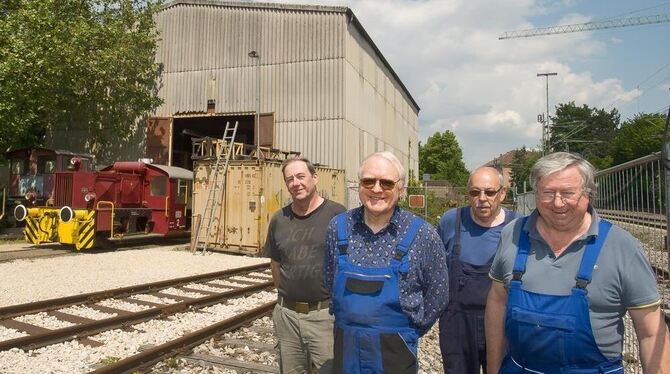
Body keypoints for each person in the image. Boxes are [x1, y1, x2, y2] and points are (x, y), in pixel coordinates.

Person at [485, 152, 670, 373]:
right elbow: (497, 303)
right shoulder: (512, 234)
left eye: (568, 193)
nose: (557, 203)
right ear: (536, 193)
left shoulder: (623, 246)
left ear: (588, 194)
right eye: (548, 193)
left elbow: (651, 332)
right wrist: (493, 369)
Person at [323, 151, 449, 374]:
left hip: (395, 352)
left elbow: (438, 295)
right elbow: (329, 280)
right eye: (368, 181)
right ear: (359, 186)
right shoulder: (338, 227)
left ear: (401, 189)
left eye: (387, 183)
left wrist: (406, 331)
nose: (377, 189)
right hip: (346, 348)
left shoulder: (423, 235)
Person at [264, 156, 346, 374]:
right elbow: (276, 264)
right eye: (290, 179)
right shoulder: (279, 219)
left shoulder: (338, 216)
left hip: (325, 316)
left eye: (301, 176)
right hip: (287, 316)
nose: (296, 183)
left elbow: (347, 265)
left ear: (315, 178)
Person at [437, 166, 520, 374]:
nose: (482, 198)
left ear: (502, 193)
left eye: (490, 192)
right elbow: (433, 270)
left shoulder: (518, 227)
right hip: (457, 324)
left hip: (503, 323)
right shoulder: (451, 221)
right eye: (475, 192)